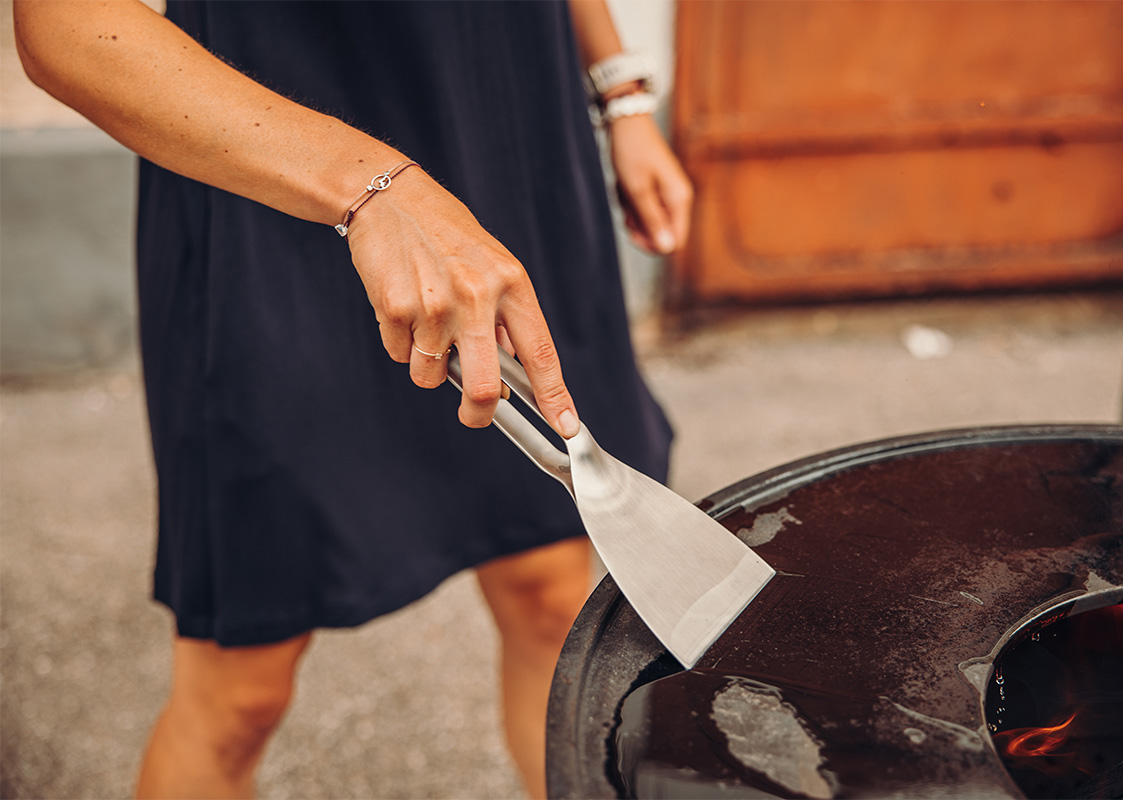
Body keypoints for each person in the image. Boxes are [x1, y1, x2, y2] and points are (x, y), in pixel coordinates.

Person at [13, 1, 692, 798]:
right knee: (241, 689)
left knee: (551, 595)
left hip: (509, 137)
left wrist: (621, 95)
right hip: (270, 181)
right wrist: (372, 189)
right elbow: (61, 27)